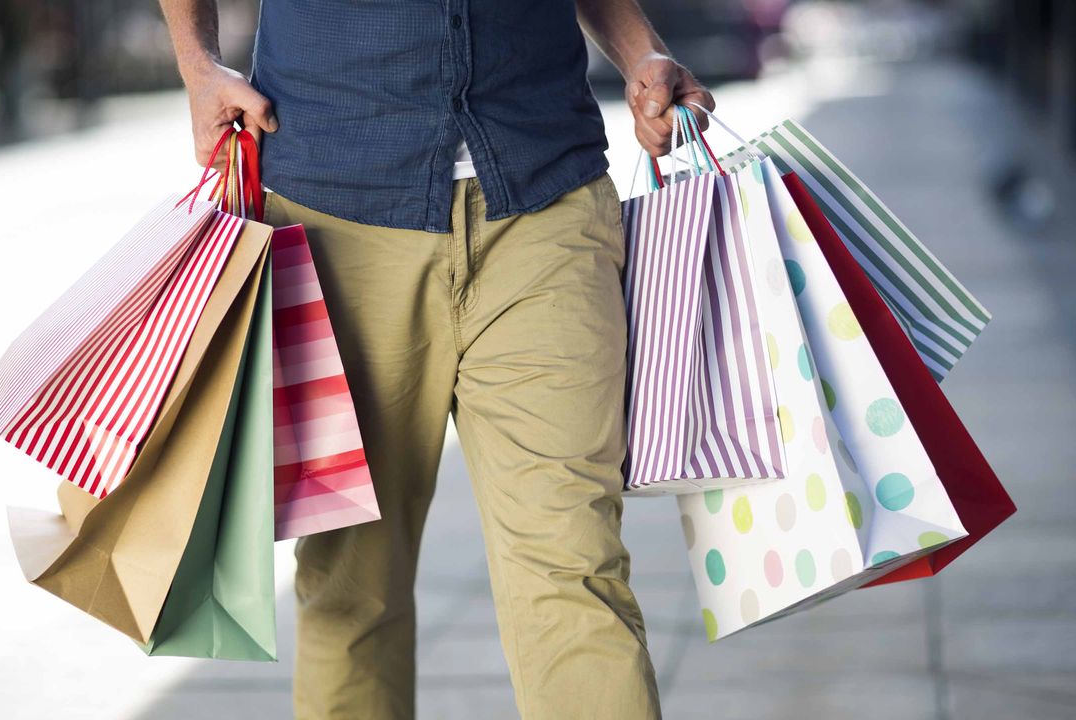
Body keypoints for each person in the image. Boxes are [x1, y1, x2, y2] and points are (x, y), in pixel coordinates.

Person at [159, 1, 714, 718]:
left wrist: (641, 52)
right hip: (333, 211)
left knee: (574, 570)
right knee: (351, 584)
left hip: (544, 199)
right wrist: (198, 68)